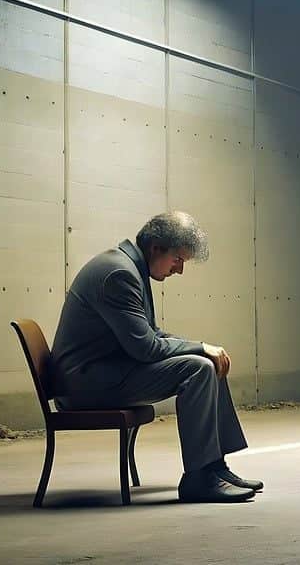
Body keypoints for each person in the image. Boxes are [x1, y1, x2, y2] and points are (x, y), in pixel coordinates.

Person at [49, 211, 262, 503]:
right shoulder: (119, 275)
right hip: (87, 386)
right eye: (178, 260)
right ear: (156, 248)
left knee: (207, 363)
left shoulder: (129, 266)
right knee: (198, 368)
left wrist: (204, 348)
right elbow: (145, 348)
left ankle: (214, 467)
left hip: (103, 373)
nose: (180, 270)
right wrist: (200, 348)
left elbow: (149, 333)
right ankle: (199, 479)